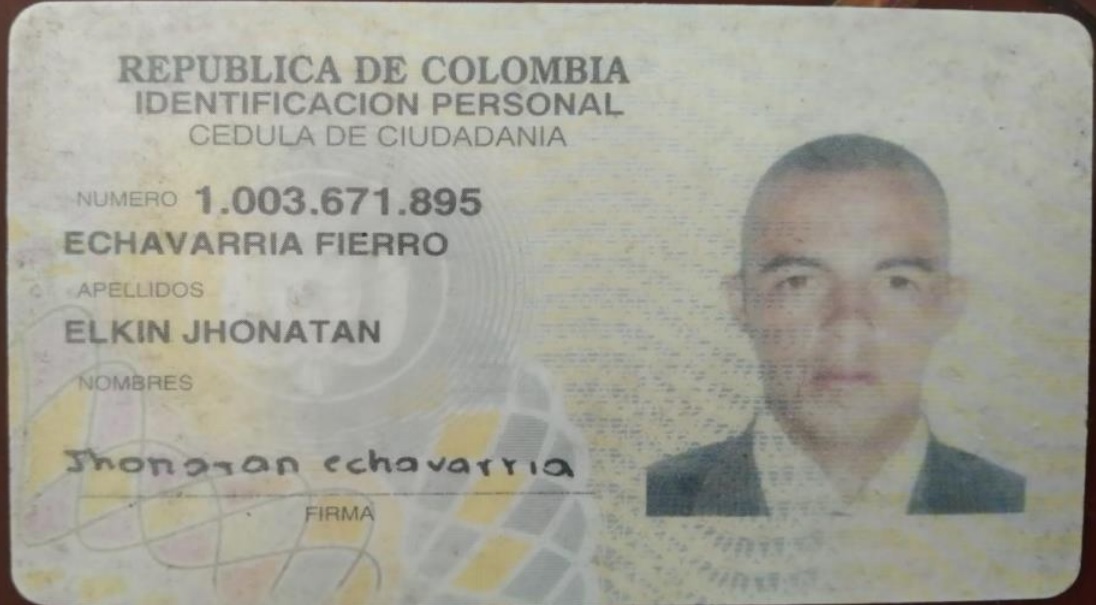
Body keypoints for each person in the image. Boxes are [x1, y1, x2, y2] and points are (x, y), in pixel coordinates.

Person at [646, 134, 1025, 516]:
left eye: (896, 282)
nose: (848, 325)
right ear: (741, 303)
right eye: (798, 282)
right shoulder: (650, 500)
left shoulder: (1021, 505)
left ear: (949, 304)